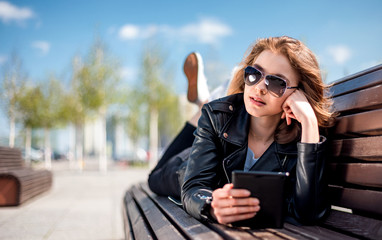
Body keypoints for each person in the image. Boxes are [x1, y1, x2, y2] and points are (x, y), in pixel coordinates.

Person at [148, 36, 336, 226]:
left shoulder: (305, 139)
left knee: (214, 109)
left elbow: (308, 213)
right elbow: (194, 187)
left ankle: (206, 98)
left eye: (277, 83)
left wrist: (310, 122)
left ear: (299, 93)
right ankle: (203, 103)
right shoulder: (216, 117)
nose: (260, 87)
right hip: (186, 166)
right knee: (153, 179)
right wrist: (211, 205)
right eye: (254, 74)